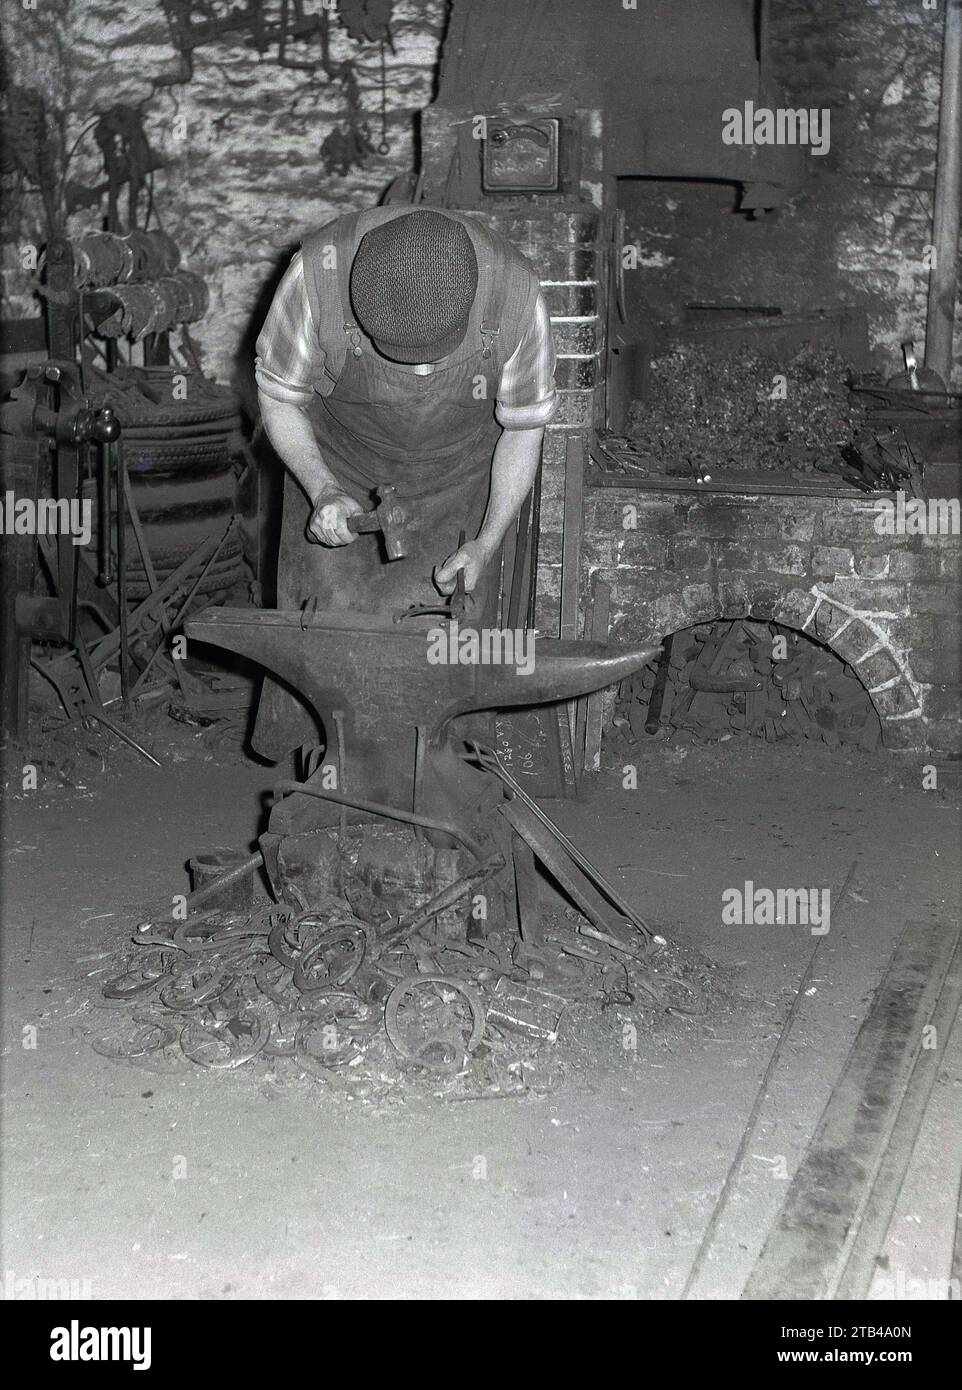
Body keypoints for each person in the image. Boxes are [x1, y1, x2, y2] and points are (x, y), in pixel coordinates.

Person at [251, 205, 557, 762]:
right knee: (323, 639)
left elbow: (523, 433)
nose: (417, 376)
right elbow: (278, 396)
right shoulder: (315, 276)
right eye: (400, 358)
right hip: (338, 463)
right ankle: (328, 783)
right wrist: (322, 490)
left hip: (460, 478)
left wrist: (485, 544)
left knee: (451, 654)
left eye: (431, 360)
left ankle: (445, 780)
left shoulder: (517, 296)